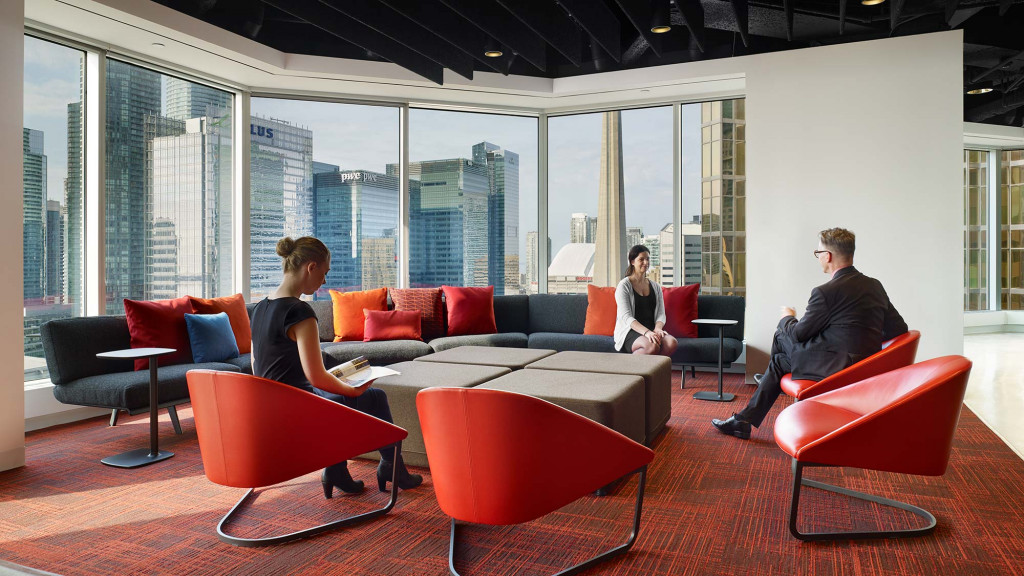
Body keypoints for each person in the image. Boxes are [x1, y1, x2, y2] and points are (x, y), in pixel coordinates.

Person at [250, 236, 422, 497]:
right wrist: (351, 390)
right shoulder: (299, 312)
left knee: (336, 392)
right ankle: (392, 467)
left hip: (269, 411)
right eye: (324, 272)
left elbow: (257, 367)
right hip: (300, 412)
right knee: (374, 396)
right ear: (311, 267)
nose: (325, 281)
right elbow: (316, 377)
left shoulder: (261, 307)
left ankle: (337, 470)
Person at [712, 227, 908, 439]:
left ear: (828, 256)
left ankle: (757, 398)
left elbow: (798, 335)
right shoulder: (874, 285)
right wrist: (859, 340)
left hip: (837, 369)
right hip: (864, 367)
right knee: (779, 360)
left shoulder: (825, 292)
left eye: (818, 253)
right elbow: (898, 329)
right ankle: (749, 409)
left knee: (781, 336)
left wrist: (787, 317)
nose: (818, 258)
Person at [614, 244, 679, 357]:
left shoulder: (655, 286)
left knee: (671, 343)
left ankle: (652, 372)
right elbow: (626, 317)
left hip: (651, 329)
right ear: (632, 262)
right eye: (641, 259)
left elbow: (661, 314)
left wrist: (657, 329)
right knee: (651, 346)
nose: (646, 262)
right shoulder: (624, 285)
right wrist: (647, 333)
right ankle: (627, 369)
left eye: (648, 259)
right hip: (630, 331)